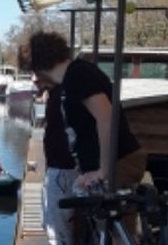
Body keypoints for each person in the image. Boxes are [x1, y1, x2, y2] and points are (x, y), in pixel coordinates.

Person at [28, 31, 147, 197]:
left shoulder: (77, 74)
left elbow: (106, 117)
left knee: (110, 219)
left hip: (119, 163)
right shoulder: (73, 76)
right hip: (110, 164)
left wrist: (104, 170)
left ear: (38, 66)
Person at [18, 43, 79, 245]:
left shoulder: (66, 92)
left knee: (58, 231)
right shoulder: (56, 92)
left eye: (36, 72)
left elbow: (76, 133)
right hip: (56, 169)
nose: (33, 78)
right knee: (50, 226)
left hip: (65, 171)